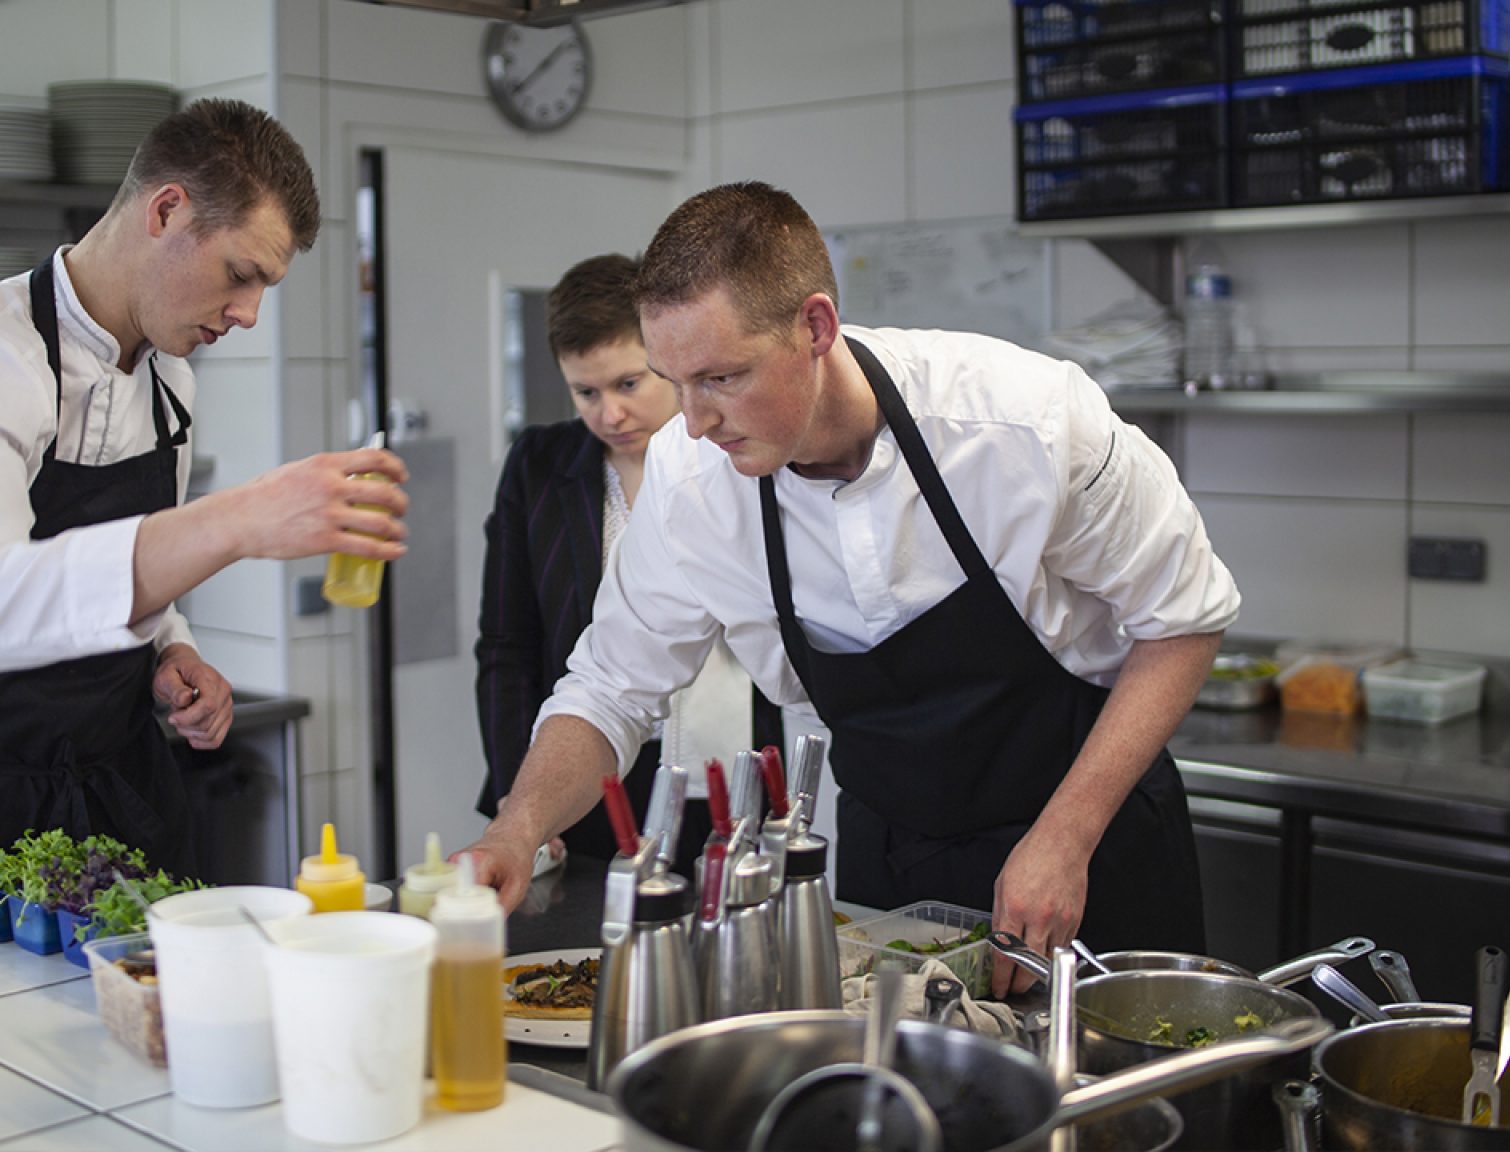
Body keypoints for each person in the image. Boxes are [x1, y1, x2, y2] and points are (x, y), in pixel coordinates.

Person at [463, 182, 1237, 993]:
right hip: (893, 868)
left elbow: (1183, 621)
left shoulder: (1024, 426)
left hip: (1094, 845)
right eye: (674, 380)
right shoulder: (692, 481)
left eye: (722, 377)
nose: (692, 421)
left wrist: (1065, 838)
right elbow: (613, 686)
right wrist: (517, 830)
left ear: (816, 327)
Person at [0, 99, 408, 874]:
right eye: (240, 275)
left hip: (114, 790)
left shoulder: (169, 377)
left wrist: (171, 650)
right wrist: (239, 519)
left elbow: (124, 574)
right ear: (166, 210)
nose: (247, 314)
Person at [475, 254, 781, 866]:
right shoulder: (539, 464)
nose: (609, 414)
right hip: (590, 765)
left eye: (628, 384)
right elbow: (507, 644)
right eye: (585, 392)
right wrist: (521, 798)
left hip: (731, 758)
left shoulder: (743, 454)